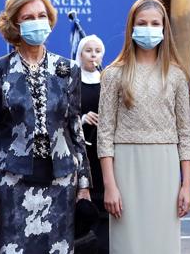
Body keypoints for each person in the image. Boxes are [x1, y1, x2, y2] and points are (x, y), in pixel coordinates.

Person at [0, 0, 92, 252]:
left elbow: (75, 129)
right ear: (15, 24)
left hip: (62, 181)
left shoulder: (67, 69)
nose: (37, 22)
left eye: (42, 15)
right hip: (12, 182)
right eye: (28, 17)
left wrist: (84, 184)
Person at [97, 0, 190, 253]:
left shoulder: (176, 76)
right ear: (131, 27)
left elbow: (185, 134)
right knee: (127, 243)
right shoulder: (112, 74)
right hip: (126, 167)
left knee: (163, 243)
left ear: (164, 28)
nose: (148, 28)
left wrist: (186, 185)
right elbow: (104, 134)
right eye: (142, 23)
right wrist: (110, 186)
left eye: (155, 23)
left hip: (165, 166)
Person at [76, 35, 108, 254]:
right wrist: (82, 119)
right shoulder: (72, 81)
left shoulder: (107, 80)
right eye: (88, 50)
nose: (93, 54)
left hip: (102, 149)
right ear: (80, 53)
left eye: (97, 50)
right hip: (80, 150)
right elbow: (62, 117)